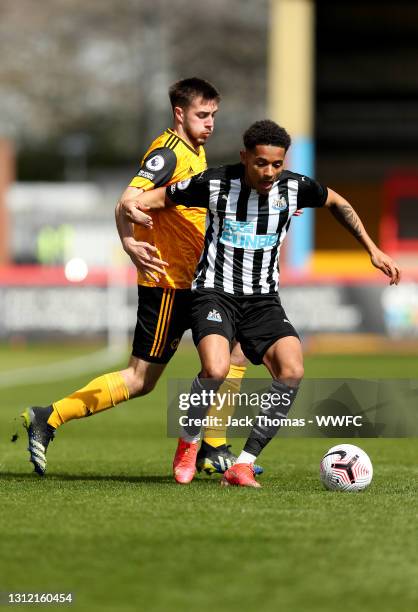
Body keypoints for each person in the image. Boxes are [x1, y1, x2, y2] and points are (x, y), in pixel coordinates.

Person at [129, 119, 401, 487]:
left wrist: (372, 249)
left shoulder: (294, 187)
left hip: (263, 300)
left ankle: (243, 463)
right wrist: (133, 214)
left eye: (277, 164)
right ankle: (189, 443)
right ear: (244, 158)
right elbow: (155, 198)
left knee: (292, 371)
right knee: (215, 369)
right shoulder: (214, 182)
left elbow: (338, 202)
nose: (270, 172)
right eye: (261, 163)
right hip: (214, 293)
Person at [21, 77, 258, 479]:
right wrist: (130, 245)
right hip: (167, 283)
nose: (210, 122)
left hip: (199, 282)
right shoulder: (167, 153)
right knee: (139, 379)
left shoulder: (193, 151)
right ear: (179, 113)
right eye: (203, 115)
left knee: (235, 351)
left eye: (214, 115)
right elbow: (127, 201)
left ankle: (213, 445)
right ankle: (48, 417)